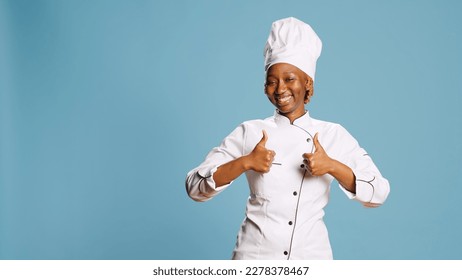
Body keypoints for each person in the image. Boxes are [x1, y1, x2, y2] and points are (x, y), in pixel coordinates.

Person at [185, 17, 390, 260]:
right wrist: (245, 162)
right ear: (264, 87)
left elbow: (379, 192)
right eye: (272, 82)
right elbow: (194, 187)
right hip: (253, 259)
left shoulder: (333, 134)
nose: (280, 89)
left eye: (289, 79)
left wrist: (332, 166)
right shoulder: (249, 131)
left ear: (308, 84)